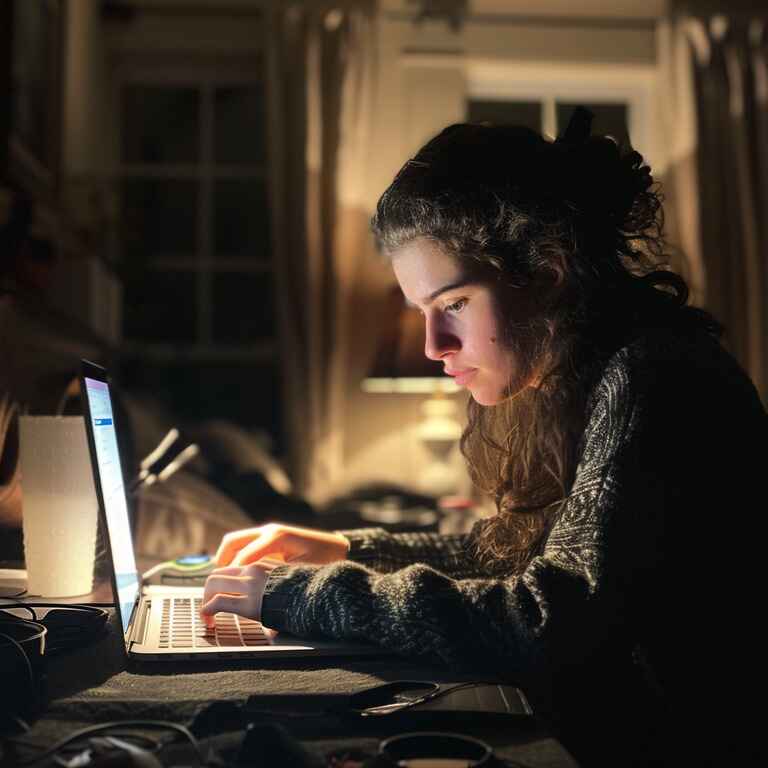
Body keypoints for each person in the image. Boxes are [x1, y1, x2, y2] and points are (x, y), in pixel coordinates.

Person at [200, 109, 767, 767]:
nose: (434, 346)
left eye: (454, 305)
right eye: (422, 313)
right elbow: (518, 555)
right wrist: (347, 547)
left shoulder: (652, 375)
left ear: (548, 274)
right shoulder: (599, 370)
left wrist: (297, 595)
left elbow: (543, 621)